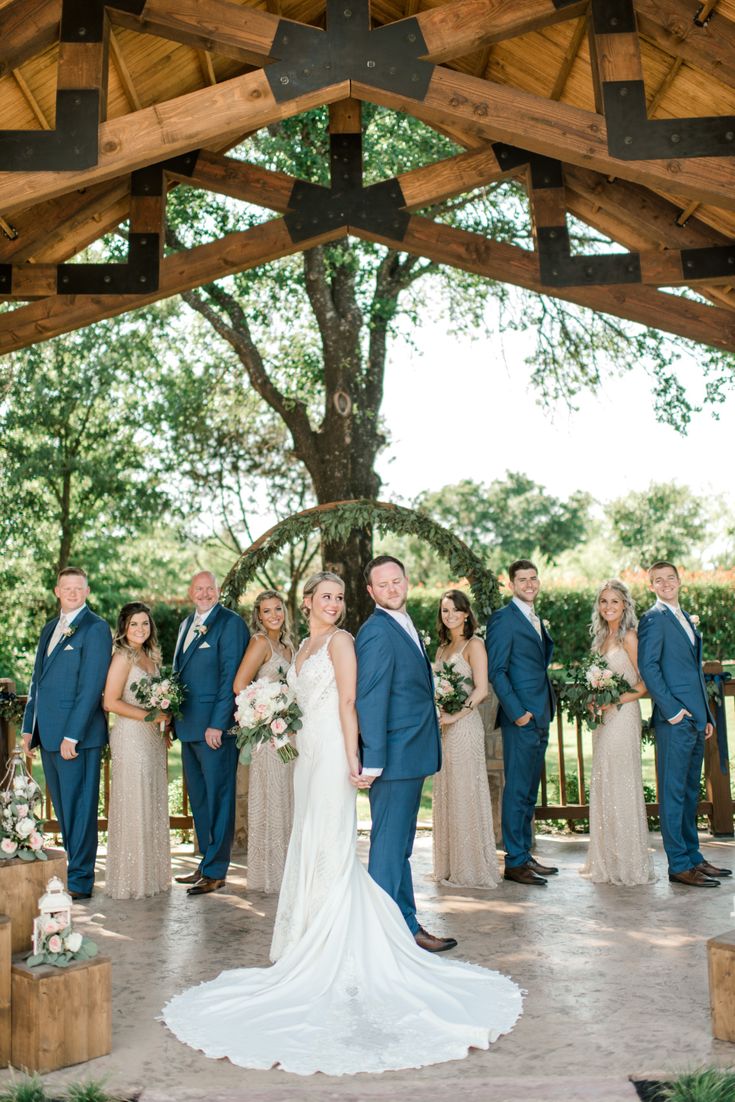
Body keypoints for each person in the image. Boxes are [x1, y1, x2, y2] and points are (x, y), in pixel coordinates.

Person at [161, 570, 522, 1076]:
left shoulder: (345, 640)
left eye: (339, 596)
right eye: (324, 596)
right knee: (309, 836)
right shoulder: (305, 645)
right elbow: (287, 695)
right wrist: (274, 714)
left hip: (332, 752)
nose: (333, 603)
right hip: (306, 753)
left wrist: (356, 755)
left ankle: (352, 941)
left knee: (332, 839)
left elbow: (352, 700)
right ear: (306, 601)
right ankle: (308, 934)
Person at [355, 554, 454, 951]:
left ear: (406, 581)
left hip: (410, 752)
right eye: (383, 584)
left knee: (401, 848)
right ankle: (380, 939)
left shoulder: (404, 622)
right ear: (370, 591)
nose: (392, 589)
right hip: (393, 757)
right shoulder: (377, 631)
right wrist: (375, 758)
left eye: (397, 581)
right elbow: (370, 697)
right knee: (388, 849)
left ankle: (406, 925)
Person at [638, 561, 729, 888]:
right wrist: (674, 712)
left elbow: (693, 672)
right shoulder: (653, 620)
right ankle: (678, 864)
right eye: (658, 581)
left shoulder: (685, 617)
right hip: (674, 721)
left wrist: (704, 716)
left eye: (670, 578)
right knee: (674, 793)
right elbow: (648, 668)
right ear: (652, 586)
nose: (665, 584)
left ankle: (693, 857)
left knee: (690, 792)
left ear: (679, 581)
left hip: (695, 720)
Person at [21, 567, 111, 900]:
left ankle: (81, 879)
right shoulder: (49, 629)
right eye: (67, 588)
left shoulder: (96, 628)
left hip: (77, 739)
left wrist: (72, 735)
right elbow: (37, 682)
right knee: (63, 808)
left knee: (80, 809)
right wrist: (29, 729)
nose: (72, 593)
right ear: (57, 591)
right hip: (48, 735)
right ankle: (73, 869)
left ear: (86, 591)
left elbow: (91, 687)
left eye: (79, 588)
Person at [172, 571, 249, 896]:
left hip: (214, 730)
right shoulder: (184, 625)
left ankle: (217, 870)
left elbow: (229, 677)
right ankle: (205, 863)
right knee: (200, 800)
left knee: (219, 798)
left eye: (210, 589)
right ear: (191, 592)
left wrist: (218, 723)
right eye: (199, 588)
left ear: (218, 591)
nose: (204, 594)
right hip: (188, 727)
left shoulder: (230, 624)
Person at [485, 559, 557, 886]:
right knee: (516, 789)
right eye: (522, 580)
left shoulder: (535, 618)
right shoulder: (503, 619)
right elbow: (496, 671)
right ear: (511, 584)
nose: (529, 584)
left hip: (542, 713)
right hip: (522, 718)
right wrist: (519, 713)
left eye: (533, 578)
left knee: (529, 789)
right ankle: (514, 861)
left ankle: (524, 854)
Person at [580, 581, 655, 887]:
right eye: (603, 601)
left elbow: (643, 684)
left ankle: (628, 862)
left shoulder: (630, 637)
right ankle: (607, 858)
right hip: (603, 721)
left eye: (614, 601)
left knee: (622, 781)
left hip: (623, 717)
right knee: (605, 779)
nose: (608, 606)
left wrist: (612, 700)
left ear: (625, 604)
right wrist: (593, 700)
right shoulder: (600, 639)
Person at [103, 602, 172, 900]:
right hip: (130, 737)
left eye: (145, 624)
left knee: (152, 798)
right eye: (134, 624)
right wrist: (148, 716)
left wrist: (164, 720)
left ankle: (151, 875)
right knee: (134, 800)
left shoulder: (151, 658)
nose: (140, 629)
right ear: (124, 628)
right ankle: (131, 879)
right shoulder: (122, 657)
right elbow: (110, 702)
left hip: (152, 738)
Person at [432, 589, 499, 888]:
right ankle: (449, 864)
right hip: (444, 728)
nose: (450, 616)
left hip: (464, 726)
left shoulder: (475, 645)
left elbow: (481, 689)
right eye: (445, 611)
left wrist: (454, 715)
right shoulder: (442, 649)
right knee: (448, 790)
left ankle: (470, 866)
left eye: (455, 611)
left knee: (465, 791)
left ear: (466, 613)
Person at [233, 590, 295, 893]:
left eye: (278, 609)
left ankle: (288, 867)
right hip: (269, 735)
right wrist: (264, 711)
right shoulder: (260, 643)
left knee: (287, 796)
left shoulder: (288, 646)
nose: (273, 615)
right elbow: (240, 685)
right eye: (267, 611)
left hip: (290, 733)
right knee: (270, 796)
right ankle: (269, 872)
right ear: (258, 616)